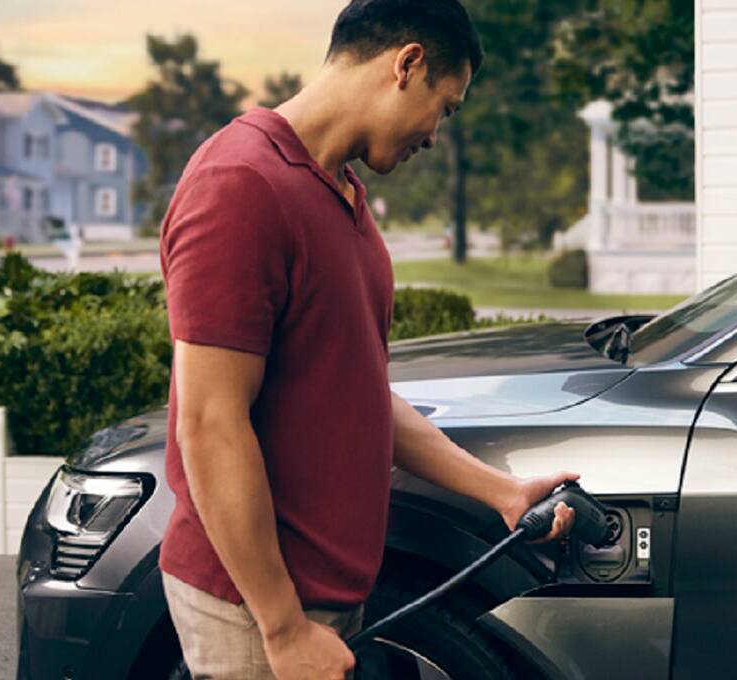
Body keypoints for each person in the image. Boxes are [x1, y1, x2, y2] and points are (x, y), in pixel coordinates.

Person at [157, 1, 577, 678]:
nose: (437, 134)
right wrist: (283, 625)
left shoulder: (340, 194)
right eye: (446, 107)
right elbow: (209, 423)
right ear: (406, 65)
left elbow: (355, 394)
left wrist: (501, 491)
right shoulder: (239, 186)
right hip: (253, 606)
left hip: (324, 596)